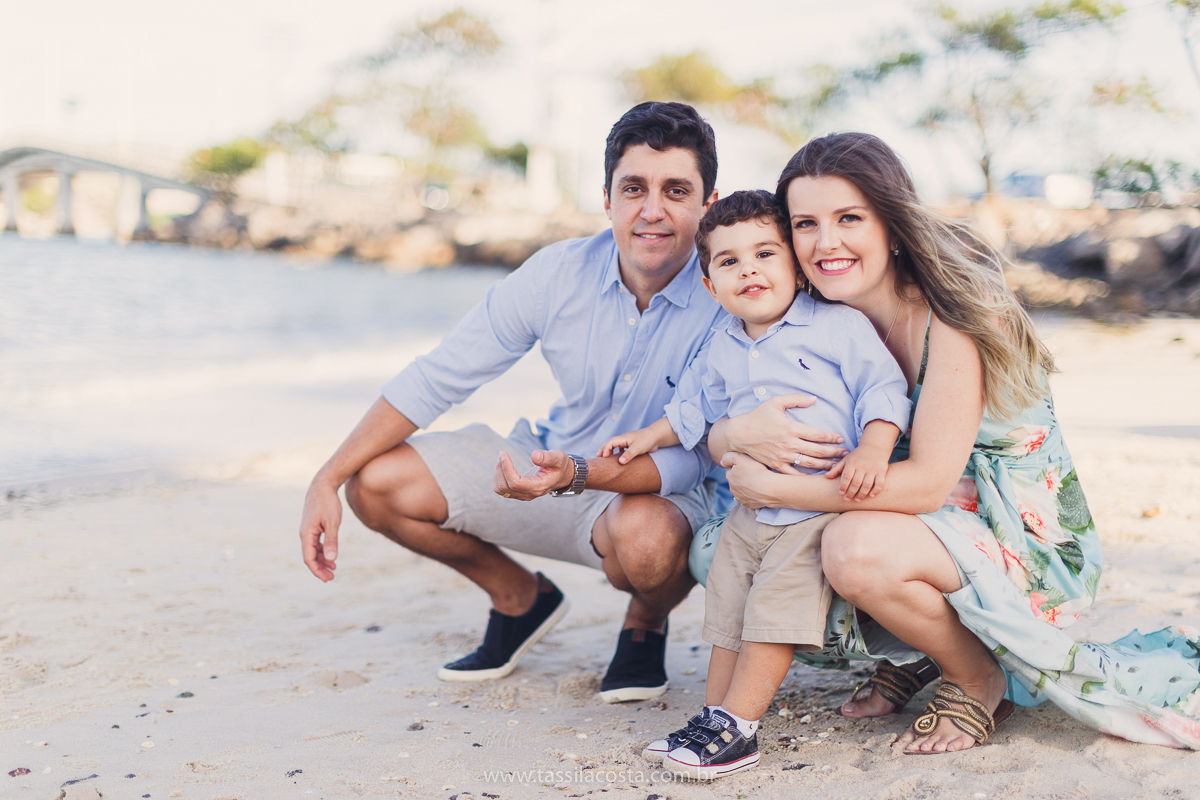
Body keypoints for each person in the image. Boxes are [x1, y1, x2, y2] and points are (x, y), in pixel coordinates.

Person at [691, 131, 1200, 754]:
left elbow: (930, 481)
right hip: (906, 515)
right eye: (805, 223)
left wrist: (778, 486)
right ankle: (920, 649)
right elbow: (715, 409)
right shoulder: (809, 319)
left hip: (1013, 535)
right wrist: (732, 434)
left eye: (849, 218)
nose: (826, 243)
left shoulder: (952, 317)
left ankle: (976, 674)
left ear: (893, 223)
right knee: (722, 545)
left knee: (853, 548)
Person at [298, 102, 729, 703]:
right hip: (547, 464)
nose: (652, 211)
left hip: (658, 494)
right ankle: (519, 599)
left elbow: (696, 456)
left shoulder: (731, 297)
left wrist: (579, 475)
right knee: (373, 482)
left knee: (649, 544)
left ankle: (644, 623)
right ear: (607, 198)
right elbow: (441, 375)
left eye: (675, 190)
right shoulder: (557, 273)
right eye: (634, 188)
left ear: (708, 205)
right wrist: (327, 475)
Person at [597, 189, 911, 780]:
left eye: (766, 253)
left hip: (815, 508)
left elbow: (884, 391)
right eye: (729, 261)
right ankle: (713, 716)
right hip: (751, 511)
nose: (750, 270)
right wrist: (646, 438)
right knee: (728, 606)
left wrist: (874, 446)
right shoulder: (721, 345)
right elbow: (693, 410)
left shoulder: (836, 326)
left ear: (796, 263)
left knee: (771, 612)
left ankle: (740, 729)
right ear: (711, 284)